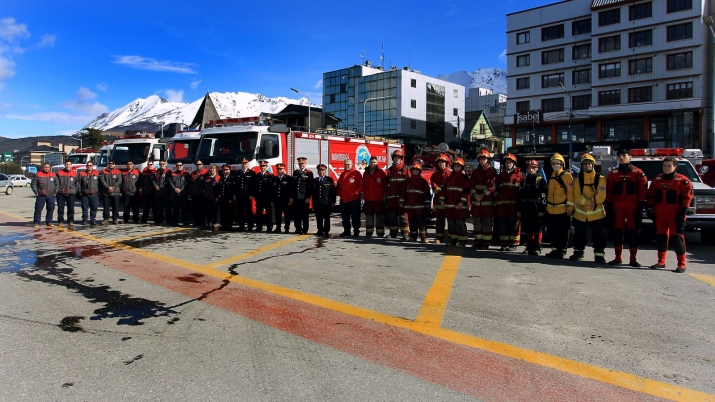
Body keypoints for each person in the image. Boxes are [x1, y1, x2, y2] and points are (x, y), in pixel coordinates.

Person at [646, 156, 694, 273]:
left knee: (677, 239)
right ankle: (661, 262)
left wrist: (682, 214)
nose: (666, 168)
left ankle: (681, 264)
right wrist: (650, 209)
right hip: (660, 215)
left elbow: (687, 199)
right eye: (664, 166)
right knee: (661, 238)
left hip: (675, 215)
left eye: (669, 166)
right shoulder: (657, 179)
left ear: (675, 167)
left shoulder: (683, 181)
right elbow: (651, 195)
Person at [605, 149, 648, 267]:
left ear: (630, 157)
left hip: (632, 209)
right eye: (620, 156)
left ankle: (633, 259)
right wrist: (608, 204)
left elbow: (642, 191)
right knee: (617, 233)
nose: (622, 158)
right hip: (617, 208)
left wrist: (641, 205)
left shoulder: (638, 173)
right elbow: (609, 190)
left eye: (624, 155)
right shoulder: (613, 174)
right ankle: (617, 258)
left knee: (633, 234)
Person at [569, 154, 607, 263]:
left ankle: (599, 255)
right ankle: (578, 253)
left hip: (597, 214)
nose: (587, 166)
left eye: (589, 163)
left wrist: (593, 202)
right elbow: (577, 195)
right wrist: (587, 203)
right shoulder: (578, 180)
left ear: (593, 165)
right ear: (582, 166)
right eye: (585, 164)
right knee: (579, 236)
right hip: (580, 214)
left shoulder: (600, 179)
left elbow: (601, 195)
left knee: (598, 236)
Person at [545, 153, 574, 259]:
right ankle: (554, 249)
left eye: (557, 163)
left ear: (562, 164)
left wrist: (570, 208)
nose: (555, 164)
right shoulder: (552, 174)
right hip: (551, 209)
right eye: (553, 163)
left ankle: (561, 250)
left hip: (562, 209)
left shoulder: (567, 176)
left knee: (562, 231)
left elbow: (571, 193)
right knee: (552, 231)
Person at [517, 159, 547, 255]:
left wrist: (542, 209)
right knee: (528, 229)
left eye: (533, 168)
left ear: (536, 169)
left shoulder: (540, 181)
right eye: (529, 168)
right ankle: (529, 246)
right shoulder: (524, 181)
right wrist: (519, 209)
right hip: (526, 208)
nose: (531, 170)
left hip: (536, 209)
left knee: (537, 228)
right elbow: (519, 196)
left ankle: (537, 246)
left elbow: (544, 196)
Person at [470, 149, 498, 249]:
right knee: (477, 222)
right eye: (481, 159)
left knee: (487, 223)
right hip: (476, 203)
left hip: (487, 202)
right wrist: (475, 195)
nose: (482, 161)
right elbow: (472, 184)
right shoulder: (475, 172)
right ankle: (478, 242)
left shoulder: (492, 171)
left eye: (484, 159)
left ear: (488, 160)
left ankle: (486, 243)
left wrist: (482, 195)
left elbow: (492, 185)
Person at [440, 158, 470, 247]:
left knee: (460, 223)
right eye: (455, 166)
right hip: (450, 206)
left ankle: (462, 241)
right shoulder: (449, 178)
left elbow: (466, 191)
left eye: (458, 166)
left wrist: (462, 202)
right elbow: (444, 190)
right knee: (451, 223)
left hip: (460, 206)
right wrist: (442, 200)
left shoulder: (465, 179)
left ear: (462, 167)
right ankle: (452, 240)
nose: (457, 168)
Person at [494, 153, 522, 251]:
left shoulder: (519, 175)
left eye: (510, 162)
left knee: (514, 224)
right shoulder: (501, 175)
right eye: (507, 162)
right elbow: (496, 189)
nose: (508, 164)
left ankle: (513, 244)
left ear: (514, 163)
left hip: (514, 205)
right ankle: (504, 243)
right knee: (503, 224)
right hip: (503, 205)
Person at [385, 150, 410, 239]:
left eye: (398, 158)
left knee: (403, 216)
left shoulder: (406, 169)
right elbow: (386, 183)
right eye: (395, 157)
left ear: (401, 159)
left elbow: (410, 183)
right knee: (392, 216)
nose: (397, 159)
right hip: (392, 198)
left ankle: (405, 233)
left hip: (402, 198)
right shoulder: (390, 170)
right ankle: (393, 233)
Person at [403, 162, 431, 243]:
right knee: (412, 222)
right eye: (414, 170)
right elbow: (403, 193)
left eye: (417, 170)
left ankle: (423, 237)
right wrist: (402, 202)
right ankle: (413, 236)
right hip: (410, 206)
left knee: (421, 222)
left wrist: (427, 203)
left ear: (419, 171)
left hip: (420, 207)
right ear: (411, 171)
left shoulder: (423, 182)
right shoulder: (407, 182)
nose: (415, 172)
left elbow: (426, 194)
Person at [336, 158, 364, 237]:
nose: (347, 166)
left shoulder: (356, 173)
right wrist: (339, 193)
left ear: (351, 165)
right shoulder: (342, 174)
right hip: (344, 200)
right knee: (345, 217)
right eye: (345, 164)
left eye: (348, 164)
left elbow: (361, 185)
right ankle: (346, 231)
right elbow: (339, 186)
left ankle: (356, 231)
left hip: (354, 199)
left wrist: (356, 192)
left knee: (355, 216)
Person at [362, 156, 388, 238]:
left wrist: (384, 196)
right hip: (368, 199)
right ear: (369, 163)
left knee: (379, 217)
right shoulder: (365, 173)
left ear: (377, 163)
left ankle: (380, 233)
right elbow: (363, 185)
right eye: (371, 162)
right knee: (369, 216)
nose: (373, 164)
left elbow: (385, 186)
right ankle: (369, 233)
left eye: (374, 162)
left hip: (378, 199)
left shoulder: (381, 173)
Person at [429, 154, 451, 243]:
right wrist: (438, 189)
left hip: (449, 200)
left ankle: (451, 238)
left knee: (450, 220)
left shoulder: (450, 174)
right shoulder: (435, 175)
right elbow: (433, 184)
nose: (441, 164)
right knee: (439, 220)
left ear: (446, 163)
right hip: (438, 200)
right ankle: (439, 237)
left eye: (443, 162)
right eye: (439, 162)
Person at [31, 162, 59, 227]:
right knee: (38, 209)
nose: (46, 168)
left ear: (50, 168)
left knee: (50, 208)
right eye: (45, 167)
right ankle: (36, 222)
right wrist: (36, 192)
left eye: (48, 167)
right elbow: (33, 184)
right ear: (43, 167)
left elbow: (57, 184)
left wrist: (55, 193)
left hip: (51, 195)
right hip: (41, 195)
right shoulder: (38, 174)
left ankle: (49, 222)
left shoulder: (53, 175)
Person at [312, 163, 336, 237]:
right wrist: (313, 203)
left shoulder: (329, 180)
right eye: (319, 170)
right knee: (318, 217)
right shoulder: (315, 180)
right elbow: (313, 193)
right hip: (317, 202)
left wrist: (333, 201)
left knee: (326, 218)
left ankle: (326, 230)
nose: (321, 172)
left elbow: (333, 192)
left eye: (322, 170)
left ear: (325, 171)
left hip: (326, 202)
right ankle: (320, 230)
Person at [250, 160, 274, 232]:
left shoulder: (270, 176)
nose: (263, 167)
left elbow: (272, 188)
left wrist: (271, 198)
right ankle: (259, 227)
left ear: (266, 167)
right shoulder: (257, 176)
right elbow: (254, 187)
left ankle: (269, 227)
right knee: (258, 213)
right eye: (261, 166)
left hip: (267, 198)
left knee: (269, 213)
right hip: (259, 198)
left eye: (264, 166)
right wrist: (254, 195)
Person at [292, 157, 313, 234]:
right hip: (296, 197)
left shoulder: (309, 173)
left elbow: (310, 186)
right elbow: (293, 185)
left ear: (305, 164)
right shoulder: (296, 172)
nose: (302, 165)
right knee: (297, 214)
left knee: (304, 215)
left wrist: (308, 197)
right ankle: (298, 228)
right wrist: (292, 196)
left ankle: (305, 229)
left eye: (303, 163)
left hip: (304, 197)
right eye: (300, 164)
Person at [271, 163, 293, 233]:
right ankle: (278, 227)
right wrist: (272, 200)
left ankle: (287, 228)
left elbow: (291, 189)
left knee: (287, 215)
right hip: (277, 200)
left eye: (281, 169)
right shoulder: (274, 179)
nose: (279, 171)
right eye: (278, 169)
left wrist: (291, 199)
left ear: (284, 169)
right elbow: (272, 191)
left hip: (286, 200)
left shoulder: (288, 178)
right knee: (278, 215)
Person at [235, 158, 256, 231]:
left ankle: (250, 226)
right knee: (240, 211)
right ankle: (241, 226)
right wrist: (235, 194)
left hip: (248, 196)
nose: (244, 165)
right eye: (243, 163)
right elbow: (236, 185)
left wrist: (252, 194)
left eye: (245, 163)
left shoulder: (251, 173)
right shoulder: (238, 173)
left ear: (248, 164)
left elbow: (253, 185)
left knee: (249, 211)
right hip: (240, 195)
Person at [78, 161, 100, 226]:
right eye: (88, 165)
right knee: (85, 207)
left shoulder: (97, 173)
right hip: (85, 194)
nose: (89, 167)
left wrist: (99, 191)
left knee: (94, 207)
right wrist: (79, 191)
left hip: (94, 194)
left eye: (90, 165)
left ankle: (93, 219)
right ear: (86, 166)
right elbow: (78, 183)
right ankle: (85, 220)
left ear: (92, 166)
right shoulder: (82, 173)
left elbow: (100, 183)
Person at [99, 160, 122, 224]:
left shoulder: (118, 171)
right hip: (106, 192)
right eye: (110, 163)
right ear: (108, 164)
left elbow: (119, 181)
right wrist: (108, 187)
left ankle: (115, 219)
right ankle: (106, 219)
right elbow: (102, 180)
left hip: (115, 192)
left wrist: (113, 187)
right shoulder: (103, 171)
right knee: (106, 206)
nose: (111, 164)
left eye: (112, 163)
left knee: (115, 206)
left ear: (114, 164)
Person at [56, 160, 77, 228]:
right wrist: (58, 190)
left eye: (69, 164)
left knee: (71, 208)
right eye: (66, 164)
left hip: (71, 193)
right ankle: (60, 221)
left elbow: (77, 183)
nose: (68, 165)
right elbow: (56, 182)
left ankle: (70, 221)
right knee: (60, 208)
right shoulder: (59, 173)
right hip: (61, 193)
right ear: (65, 165)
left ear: (71, 165)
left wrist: (75, 191)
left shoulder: (74, 173)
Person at [217, 164, 237, 230]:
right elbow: (219, 188)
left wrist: (231, 198)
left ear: (229, 170)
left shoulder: (232, 178)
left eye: (227, 170)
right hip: (223, 198)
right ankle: (223, 225)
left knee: (229, 212)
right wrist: (217, 196)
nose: (225, 171)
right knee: (223, 212)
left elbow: (234, 189)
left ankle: (229, 225)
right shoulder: (222, 178)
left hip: (229, 199)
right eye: (224, 170)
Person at [201, 164, 221, 229]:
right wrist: (204, 192)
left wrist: (217, 196)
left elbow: (219, 189)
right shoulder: (207, 178)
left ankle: (215, 222)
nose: (212, 170)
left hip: (215, 197)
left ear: (216, 170)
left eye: (214, 169)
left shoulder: (218, 177)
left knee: (215, 211)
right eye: (211, 168)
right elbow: (203, 187)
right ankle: (208, 222)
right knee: (208, 210)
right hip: (207, 197)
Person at [153, 160, 172, 225]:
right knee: (158, 207)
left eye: (163, 164)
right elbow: (153, 180)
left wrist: (160, 187)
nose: (162, 165)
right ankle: (159, 220)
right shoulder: (156, 172)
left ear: (165, 164)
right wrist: (155, 186)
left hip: (165, 192)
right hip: (157, 192)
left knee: (167, 207)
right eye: (160, 164)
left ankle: (169, 220)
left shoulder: (168, 171)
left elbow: (167, 181)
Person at [191, 160, 208, 226]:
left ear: (202, 164)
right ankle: (197, 222)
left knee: (203, 209)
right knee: (196, 209)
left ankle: (203, 222)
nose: (198, 165)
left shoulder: (206, 172)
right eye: (197, 164)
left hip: (202, 194)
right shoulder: (193, 173)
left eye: (199, 164)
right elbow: (191, 184)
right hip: (195, 194)